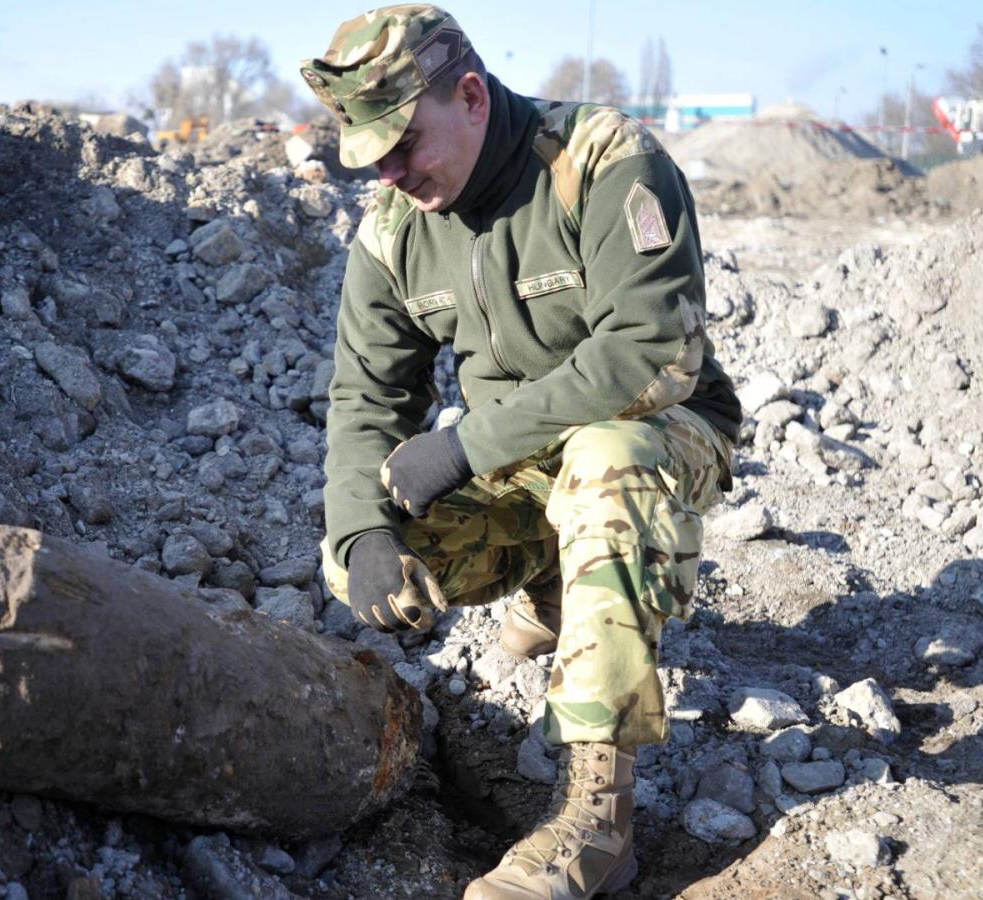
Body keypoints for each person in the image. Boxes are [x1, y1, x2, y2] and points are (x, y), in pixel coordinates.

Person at [301, 5, 742, 898]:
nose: (392, 175)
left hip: (662, 430)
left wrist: (466, 445)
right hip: (526, 461)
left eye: (406, 145)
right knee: (357, 560)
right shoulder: (393, 228)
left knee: (606, 462)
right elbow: (367, 400)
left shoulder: (606, 162)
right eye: (373, 159)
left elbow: (651, 354)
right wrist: (363, 535)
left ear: (470, 95)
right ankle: (556, 576)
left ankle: (597, 824)